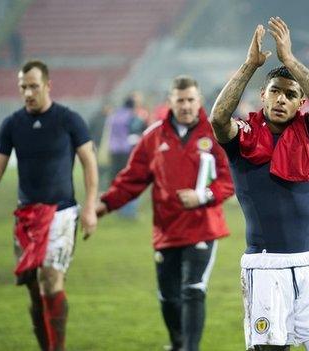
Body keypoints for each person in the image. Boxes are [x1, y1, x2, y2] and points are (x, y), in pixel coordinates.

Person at [210, 17, 309, 351]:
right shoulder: (243, 136)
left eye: (290, 95)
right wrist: (249, 65)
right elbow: (217, 119)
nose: (282, 99)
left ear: (301, 103)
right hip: (265, 266)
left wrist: (289, 61)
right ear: (263, 95)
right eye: (275, 92)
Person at [95, 76, 234, 351]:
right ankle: (178, 343)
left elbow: (229, 180)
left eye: (191, 100)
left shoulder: (215, 133)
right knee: (168, 297)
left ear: (200, 101)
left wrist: (203, 195)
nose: (185, 106)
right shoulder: (153, 137)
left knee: (193, 289)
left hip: (202, 226)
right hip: (167, 230)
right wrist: (104, 205)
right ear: (170, 102)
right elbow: (131, 179)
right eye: (180, 100)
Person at [0, 60, 98, 351]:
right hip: (26, 216)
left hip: (61, 213)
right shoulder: (13, 124)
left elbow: (89, 162)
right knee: (33, 287)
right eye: (23, 87)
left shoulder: (68, 120)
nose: (28, 93)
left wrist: (90, 207)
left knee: (51, 278)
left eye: (33, 86)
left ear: (48, 85)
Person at [106, 96, 145, 219]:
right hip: (126, 151)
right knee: (131, 179)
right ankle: (129, 212)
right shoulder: (131, 116)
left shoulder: (114, 115)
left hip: (114, 151)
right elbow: (138, 129)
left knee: (118, 180)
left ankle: (118, 208)